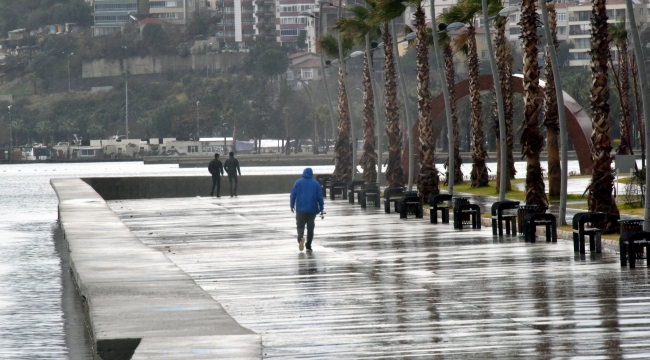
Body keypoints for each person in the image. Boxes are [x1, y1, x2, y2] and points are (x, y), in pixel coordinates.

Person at [290, 168, 324, 252]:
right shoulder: (316, 183)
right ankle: (308, 246)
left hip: (300, 209)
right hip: (312, 210)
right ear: (311, 174)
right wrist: (321, 209)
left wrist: (292, 205)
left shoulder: (298, 182)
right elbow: (320, 197)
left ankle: (300, 238)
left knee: (300, 226)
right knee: (310, 228)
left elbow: (293, 195)